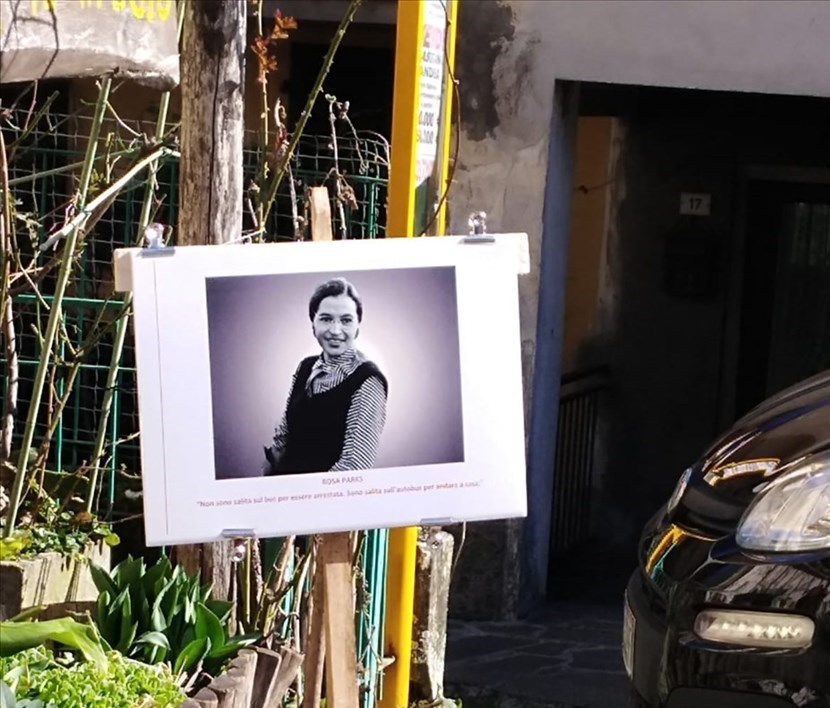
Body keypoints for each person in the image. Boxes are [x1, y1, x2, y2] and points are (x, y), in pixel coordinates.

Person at [263, 277, 388, 475]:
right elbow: (282, 438)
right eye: (326, 319)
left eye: (346, 320)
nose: (335, 331)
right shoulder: (305, 367)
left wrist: (301, 498)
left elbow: (354, 467)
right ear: (313, 321)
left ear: (358, 325)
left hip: (329, 501)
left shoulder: (368, 380)